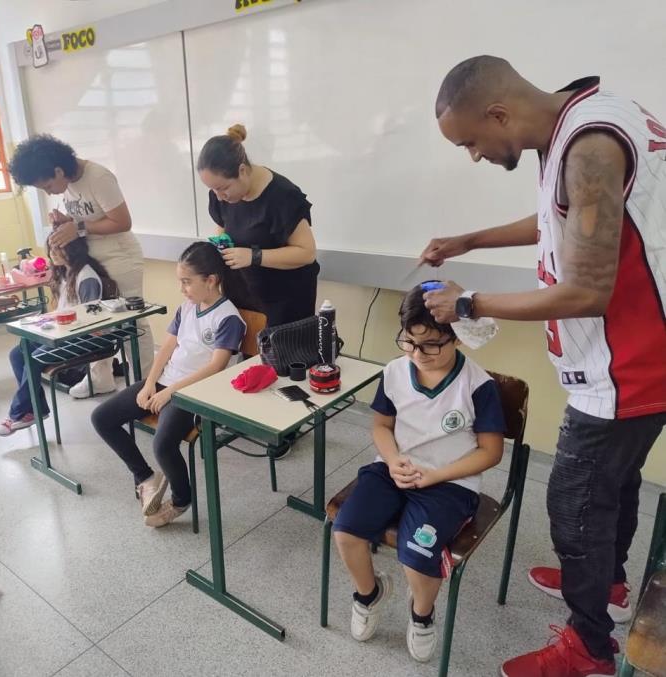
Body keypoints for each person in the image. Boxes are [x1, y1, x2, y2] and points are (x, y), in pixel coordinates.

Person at [421, 56, 666, 677]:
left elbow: (586, 290)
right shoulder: (583, 123)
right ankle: (606, 584)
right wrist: (469, 240)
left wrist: (467, 302)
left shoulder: (589, 147)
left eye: (472, 141)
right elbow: (567, 221)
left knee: (574, 504)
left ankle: (588, 649)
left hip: (629, 367)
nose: (473, 155)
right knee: (615, 484)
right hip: (633, 361)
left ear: (498, 113)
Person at [332, 283, 504, 663]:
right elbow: (381, 426)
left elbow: (491, 452)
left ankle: (421, 615)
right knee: (345, 531)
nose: (417, 354)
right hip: (394, 469)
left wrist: (436, 476)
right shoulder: (395, 371)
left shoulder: (478, 385)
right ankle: (369, 594)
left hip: (450, 483)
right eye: (409, 342)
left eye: (431, 345)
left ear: (456, 337)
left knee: (417, 552)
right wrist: (393, 460)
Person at [91, 242, 245, 528]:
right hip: (164, 382)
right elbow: (166, 348)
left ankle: (180, 500)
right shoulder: (187, 308)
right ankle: (145, 477)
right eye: (180, 282)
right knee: (101, 418)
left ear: (211, 280)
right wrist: (150, 383)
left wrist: (169, 392)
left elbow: (216, 367)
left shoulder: (228, 318)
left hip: (193, 394)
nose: (182, 289)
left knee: (163, 445)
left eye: (187, 282)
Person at [7, 134, 153, 393]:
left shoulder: (98, 177)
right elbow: (83, 221)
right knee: (95, 321)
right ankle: (101, 379)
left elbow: (122, 222)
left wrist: (79, 227)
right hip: (94, 258)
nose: (48, 192)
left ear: (58, 170)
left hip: (120, 257)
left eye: (47, 185)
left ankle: (146, 384)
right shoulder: (68, 184)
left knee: (131, 321)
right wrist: (65, 221)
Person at [197, 124, 319, 327]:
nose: (219, 197)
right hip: (243, 294)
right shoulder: (220, 194)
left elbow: (306, 253)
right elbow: (223, 228)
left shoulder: (283, 196)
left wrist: (254, 256)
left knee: (278, 357)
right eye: (213, 190)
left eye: (223, 188)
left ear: (242, 171)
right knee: (249, 357)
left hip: (286, 302)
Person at [0, 236, 119, 436]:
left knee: (34, 360)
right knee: (17, 354)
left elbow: (91, 320)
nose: (52, 252)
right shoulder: (64, 273)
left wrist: (58, 328)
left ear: (73, 249)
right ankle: (36, 410)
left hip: (88, 337)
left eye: (58, 248)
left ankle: (18, 413)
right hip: (65, 333)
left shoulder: (85, 276)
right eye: (50, 248)